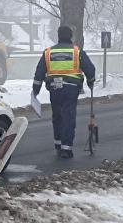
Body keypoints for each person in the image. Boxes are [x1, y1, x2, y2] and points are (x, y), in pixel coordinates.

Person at [33, 26, 96, 159]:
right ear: (71, 36)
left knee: (57, 115)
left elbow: (39, 72)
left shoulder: (48, 52)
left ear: (58, 36)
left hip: (54, 88)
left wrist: (35, 90)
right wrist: (91, 81)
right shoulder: (77, 52)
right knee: (68, 116)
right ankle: (66, 148)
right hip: (71, 88)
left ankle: (58, 143)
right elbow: (90, 69)